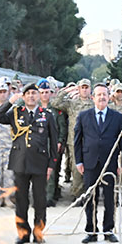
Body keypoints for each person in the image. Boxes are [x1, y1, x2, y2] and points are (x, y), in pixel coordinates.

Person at [0, 83, 59, 244]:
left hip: (40, 163)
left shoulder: (47, 115)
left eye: (34, 93)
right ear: (23, 97)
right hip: (20, 163)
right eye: (27, 94)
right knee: (21, 200)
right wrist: (10, 102)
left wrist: (51, 165)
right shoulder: (16, 112)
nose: (31, 96)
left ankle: (38, 232)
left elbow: (54, 141)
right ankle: (23, 233)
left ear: (38, 96)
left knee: (40, 200)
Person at [74, 83, 122, 243]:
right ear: (93, 98)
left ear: (108, 97)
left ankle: (108, 230)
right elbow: (77, 140)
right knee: (90, 197)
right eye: (98, 94)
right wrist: (78, 161)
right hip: (90, 163)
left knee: (109, 198)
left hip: (110, 163)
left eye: (104, 94)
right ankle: (91, 231)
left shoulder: (117, 117)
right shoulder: (83, 116)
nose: (102, 97)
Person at [37, 78, 67, 207]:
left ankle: (49, 198)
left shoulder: (55, 109)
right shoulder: (34, 108)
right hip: (37, 144)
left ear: (50, 93)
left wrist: (60, 141)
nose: (44, 95)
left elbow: (62, 127)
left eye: (47, 92)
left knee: (51, 171)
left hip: (52, 143)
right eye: (42, 92)